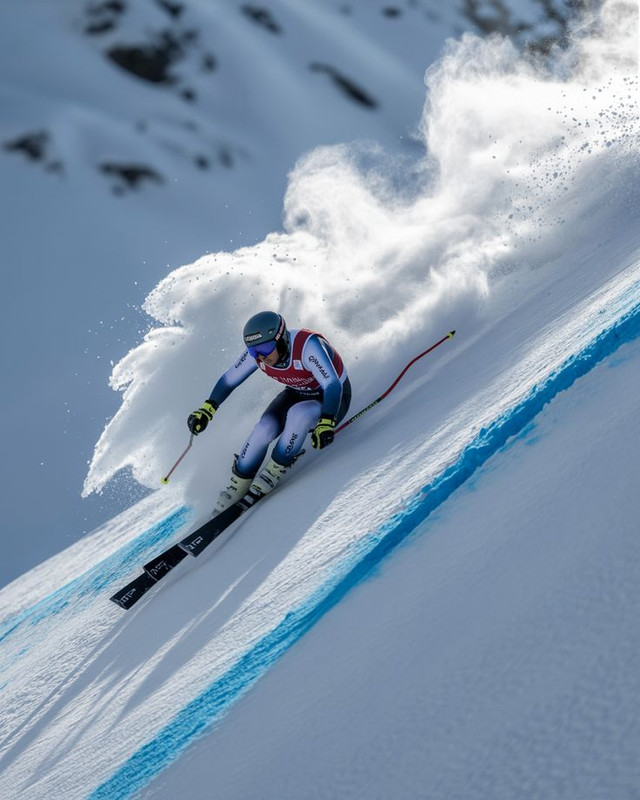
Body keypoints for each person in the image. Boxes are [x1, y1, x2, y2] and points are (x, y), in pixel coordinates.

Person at [187, 311, 351, 512]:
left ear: (281, 339)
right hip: (296, 392)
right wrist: (207, 410)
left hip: (332, 399)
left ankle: (274, 470)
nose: (262, 356)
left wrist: (326, 421)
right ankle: (238, 485)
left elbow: (332, 384)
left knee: (299, 414)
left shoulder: (307, 345)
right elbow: (228, 380)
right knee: (264, 429)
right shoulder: (258, 356)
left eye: (265, 348)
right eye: (255, 352)